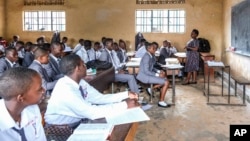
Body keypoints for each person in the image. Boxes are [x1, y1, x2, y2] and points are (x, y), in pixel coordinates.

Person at [45, 54, 139, 126]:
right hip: (60, 130)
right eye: (84, 65)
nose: (86, 67)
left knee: (117, 119)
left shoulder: (80, 82)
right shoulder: (65, 89)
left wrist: (125, 95)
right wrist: (124, 105)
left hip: (77, 121)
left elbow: (99, 98)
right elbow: (92, 113)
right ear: (77, 68)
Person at [0, 67, 46, 140]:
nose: (44, 90)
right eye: (39, 89)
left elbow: (40, 138)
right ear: (20, 98)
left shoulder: (33, 109)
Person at [137, 42, 171, 108]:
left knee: (165, 79)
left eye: (155, 48)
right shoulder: (146, 56)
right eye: (153, 48)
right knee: (166, 82)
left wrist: (159, 71)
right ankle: (161, 102)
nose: (155, 49)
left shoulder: (151, 55)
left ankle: (151, 88)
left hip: (147, 74)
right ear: (149, 49)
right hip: (144, 76)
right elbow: (146, 71)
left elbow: (152, 68)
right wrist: (158, 75)